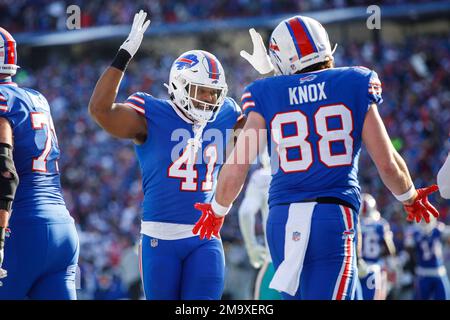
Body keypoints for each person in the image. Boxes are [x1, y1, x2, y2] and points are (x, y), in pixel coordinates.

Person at [193, 15, 440, 300]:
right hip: (331, 216)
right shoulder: (355, 81)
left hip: (282, 220)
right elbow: (387, 163)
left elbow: (237, 166)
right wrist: (410, 196)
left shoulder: (265, 91)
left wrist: (218, 210)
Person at [88, 11, 243, 300]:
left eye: (214, 93)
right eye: (202, 91)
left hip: (206, 236)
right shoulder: (151, 113)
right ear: (180, 85)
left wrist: (272, 79)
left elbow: (266, 125)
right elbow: (99, 110)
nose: (209, 100)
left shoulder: (228, 113)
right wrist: (123, 55)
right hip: (161, 237)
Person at [0, 27, 80, 299]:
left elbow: (5, 171)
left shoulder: (3, 102)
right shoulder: (38, 99)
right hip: (62, 229)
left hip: (18, 231)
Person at [238, 152, 282, 300]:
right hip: (313, 263)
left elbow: (245, 213)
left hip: (275, 263)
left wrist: (252, 248)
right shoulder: (317, 173)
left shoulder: (264, 176)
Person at [358, 193, 397, 300]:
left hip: (357, 268)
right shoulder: (380, 225)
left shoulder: (355, 224)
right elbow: (390, 250)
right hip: (374, 269)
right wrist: (392, 267)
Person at [404, 216, 450, 300]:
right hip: (425, 272)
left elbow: (408, 250)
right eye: (422, 219)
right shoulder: (436, 230)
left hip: (436, 272)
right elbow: (409, 251)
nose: (424, 221)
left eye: (426, 219)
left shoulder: (416, 232)